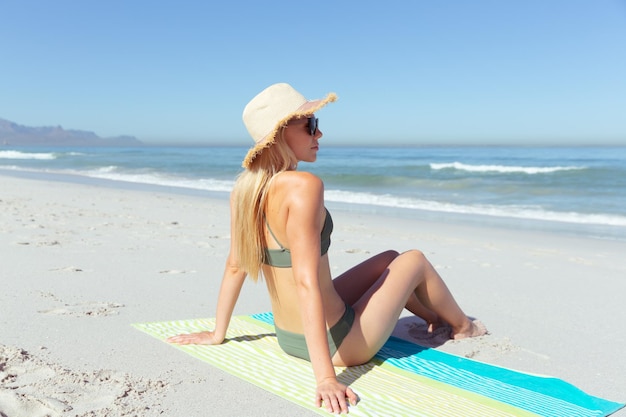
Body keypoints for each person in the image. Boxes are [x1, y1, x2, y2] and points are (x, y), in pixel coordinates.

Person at [166, 83, 487, 414]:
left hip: (288, 337)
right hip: (340, 343)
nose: (320, 133)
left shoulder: (245, 190)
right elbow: (306, 282)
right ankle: (464, 327)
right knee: (415, 259)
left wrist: (218, 333)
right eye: (311, 125)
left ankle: (435, 319)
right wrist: (325, 378)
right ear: (279, 134)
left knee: (391, 260)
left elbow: (235, 264)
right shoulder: (304, 187)